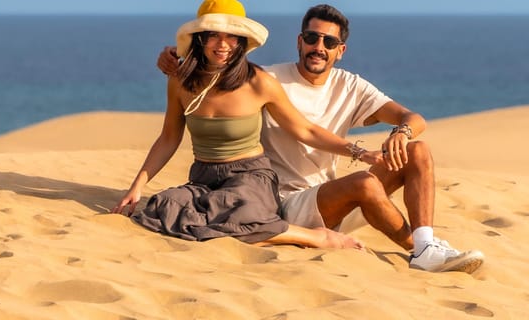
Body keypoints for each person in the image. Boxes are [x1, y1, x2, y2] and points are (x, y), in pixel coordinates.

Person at [157, 4, 484, 273]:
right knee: (364, 183)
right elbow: (218, 68)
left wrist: (402, 132)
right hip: (282, 203)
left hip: (333, 202)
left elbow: (411, 118)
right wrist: (176, 57)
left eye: (329, 42)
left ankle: (426, 245)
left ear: (340, 50)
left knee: (418, 150)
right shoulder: (266, 78)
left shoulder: (350, 86)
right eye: (312, 38)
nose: (319, 47)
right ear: (300, 41)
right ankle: (420, 252)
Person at [113, 0, 372, 250]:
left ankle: (315, 238)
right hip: (203, 178)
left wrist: (360, 152)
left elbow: (306, 130)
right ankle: (265, 232)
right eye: (214, 35)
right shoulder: (180, 82)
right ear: (201, 38)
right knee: (163, 207)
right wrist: (137, 187)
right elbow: (169, 138)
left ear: (241, 41)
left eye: (232, 36)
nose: (223, 44)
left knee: (240, 212)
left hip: (250, 178)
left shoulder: (258, 81)